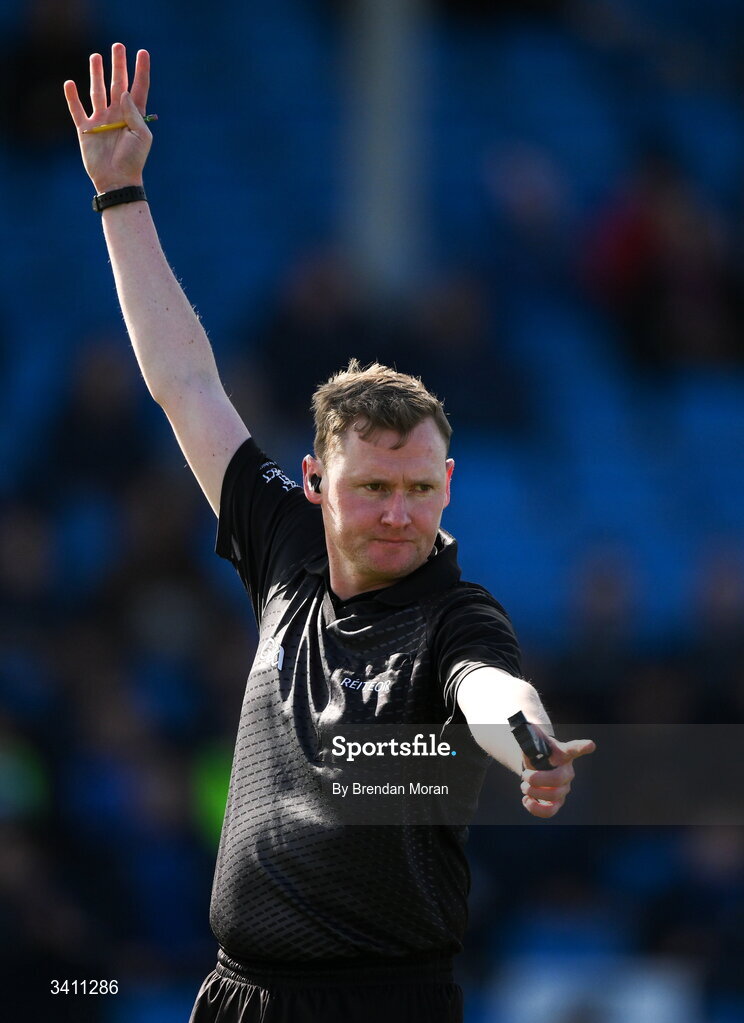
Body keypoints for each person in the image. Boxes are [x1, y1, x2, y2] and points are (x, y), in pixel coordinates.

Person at [64, 44, 595, 1023]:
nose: (397, 511)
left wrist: (525, 738)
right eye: (372, 486)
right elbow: (186, 385)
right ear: (314, 484)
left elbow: (488, 690)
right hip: (235, 998)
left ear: (449, 488)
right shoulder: (287, 553)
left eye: (418, 487)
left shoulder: (456, 620)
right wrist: (122, 196)